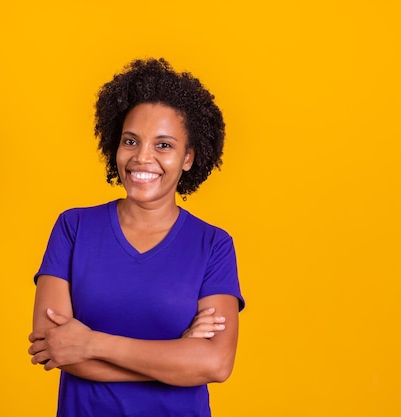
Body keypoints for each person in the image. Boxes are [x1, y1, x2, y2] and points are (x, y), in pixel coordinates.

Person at [28, 58, 245, 417]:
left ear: (188, 157)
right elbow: (56, 347)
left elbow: (216, 364)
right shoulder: (74, 227)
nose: (142, 158)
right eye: (131, 141)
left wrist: (92, 343)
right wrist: (177, 356)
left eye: (164, 145)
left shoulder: (213, 245)